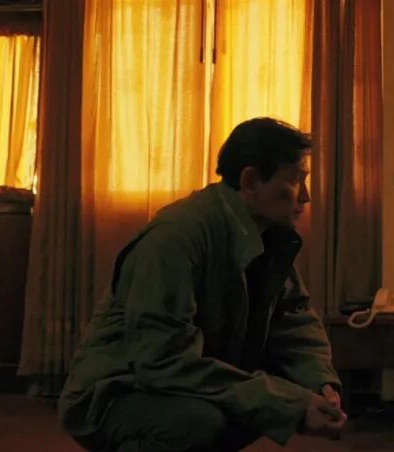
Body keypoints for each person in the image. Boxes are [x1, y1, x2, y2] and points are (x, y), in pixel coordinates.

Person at [58, 118, 346, 451]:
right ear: (250, 181)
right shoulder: (176, 238)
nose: (306, 197)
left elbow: (294, 320)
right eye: (296, 180)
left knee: (271, 401)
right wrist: (287, 403)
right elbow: (161, 361)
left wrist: (320, 384)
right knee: (199, 422)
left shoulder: (268, 235)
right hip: (116, 390)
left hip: (180, 379)